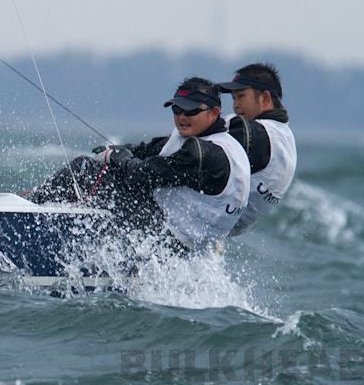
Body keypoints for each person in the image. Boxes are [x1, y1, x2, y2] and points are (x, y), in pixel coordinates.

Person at [29, 77, 251, 255]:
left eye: (191, 111)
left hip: (169, 241)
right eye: (177, 110)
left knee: (84, 169)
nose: (182, 117)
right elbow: (147, 150)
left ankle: (28, 210)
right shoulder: (220, 142)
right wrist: (117, 151)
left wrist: (118, 158)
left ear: (214, 112)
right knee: (111, 174)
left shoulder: (204, 154)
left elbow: (141, 175)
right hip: (191, 243)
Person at [216, 63, 297, 235]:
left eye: (241, 96)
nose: (235, 106)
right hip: (221, 227)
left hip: (200, 220)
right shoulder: (284, 135)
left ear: (265, 99)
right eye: (233, 98)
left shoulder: (257, 135)